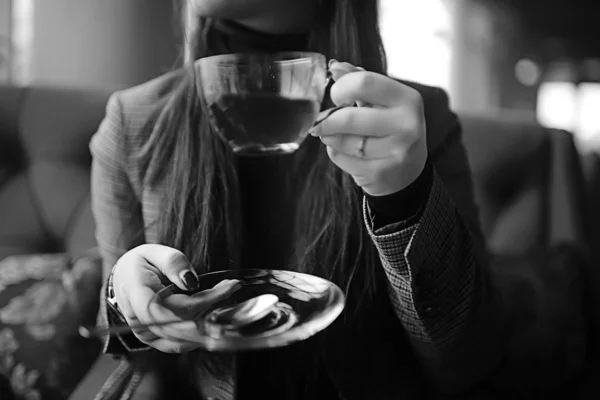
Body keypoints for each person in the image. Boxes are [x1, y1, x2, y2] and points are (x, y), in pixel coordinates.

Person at [90, 0, 505, 399]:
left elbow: (467, 359)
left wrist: (405, 196)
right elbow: (124, 350)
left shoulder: (414, 120)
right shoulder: (132, 120)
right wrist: (123, 295)